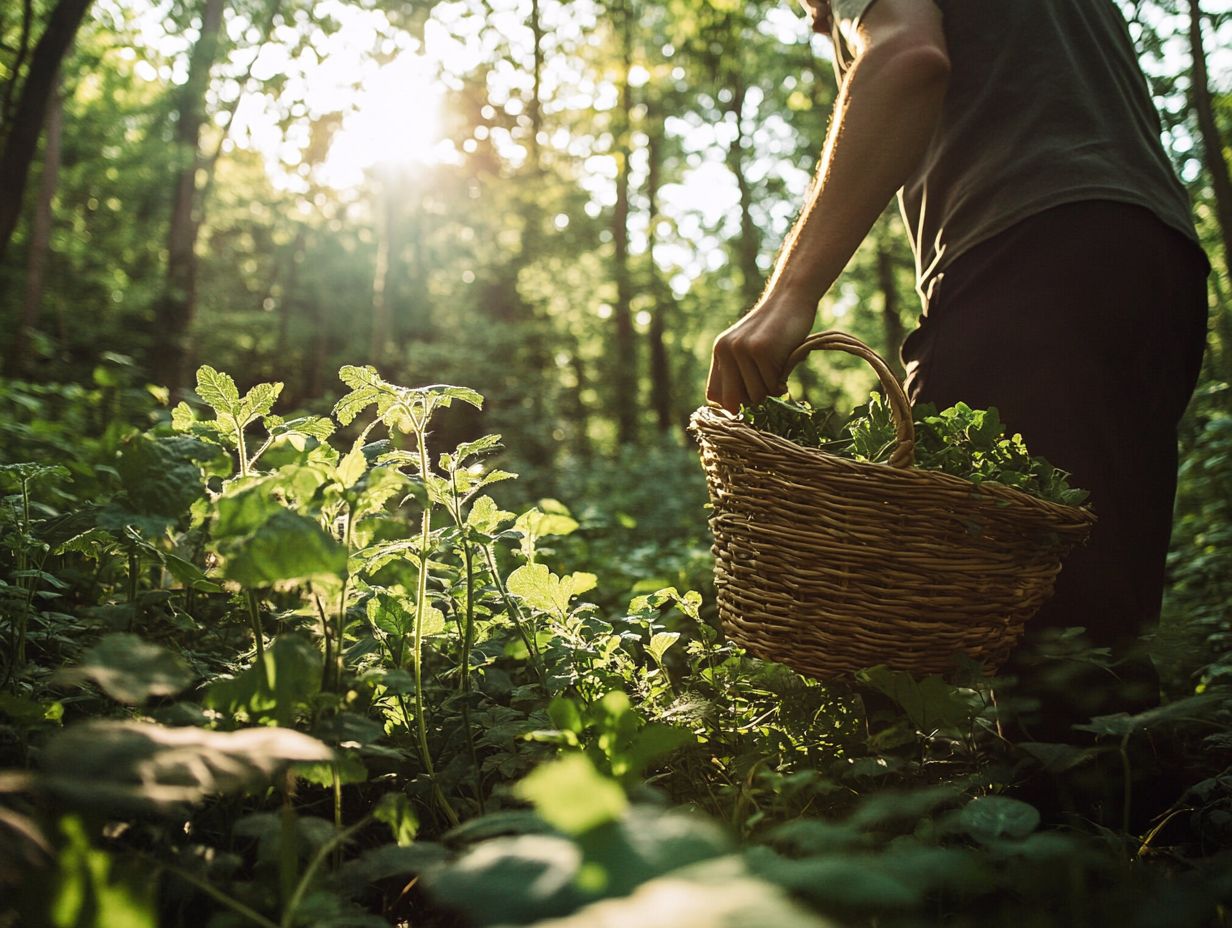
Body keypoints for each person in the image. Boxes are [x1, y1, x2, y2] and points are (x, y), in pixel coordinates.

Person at [705, 0, 1211, 815]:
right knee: (1100, 633)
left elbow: (906, 59)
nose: (811, 19)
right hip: (1156, 259)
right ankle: (1146, 851)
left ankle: (1068, 879)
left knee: (1049, 654)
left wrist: (788, 297)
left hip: (1026, 261)